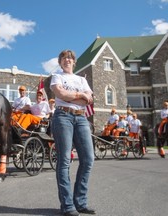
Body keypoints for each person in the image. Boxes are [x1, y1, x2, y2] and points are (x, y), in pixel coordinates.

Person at [50, 49, 95, 216]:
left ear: (74, 62)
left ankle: (80, 202)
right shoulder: (57, 77)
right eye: (63, 58)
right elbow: (60, 94)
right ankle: (68, 205)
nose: (67, 60)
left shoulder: (81, 79)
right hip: (63, 116)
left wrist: (76, 96)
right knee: (64, 160)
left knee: (88, 159)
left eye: (69, 58)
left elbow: (89, 99)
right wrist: (79, 95)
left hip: (81, 118)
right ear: (60, 62)